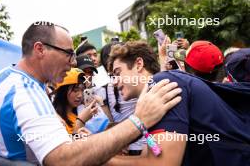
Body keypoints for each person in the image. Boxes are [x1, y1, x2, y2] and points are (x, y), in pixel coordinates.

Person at [0, 22, 182, 165]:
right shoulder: (26, 93)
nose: (73, 63)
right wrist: (139, 122)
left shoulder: (7, 77)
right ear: (40, 49)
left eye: (118, 73)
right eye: (69, 53)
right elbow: (63, 160)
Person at [107, 41, 250, 166]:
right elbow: (152, 154)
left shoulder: (161, 85)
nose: (114, 82)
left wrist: (99, 157)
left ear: (139, 64)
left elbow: (162, 164)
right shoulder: (157, 91)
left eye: (118, 73)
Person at [52, 68, 97, 134]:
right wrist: (80, 121)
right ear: (63, 91)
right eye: (75, 90)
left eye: (82, 90)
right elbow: (70, 144)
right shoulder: (56, 120)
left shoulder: (77, 114)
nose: (80, 95)